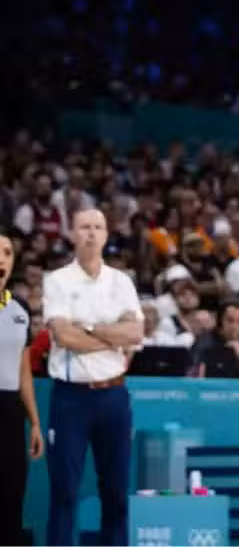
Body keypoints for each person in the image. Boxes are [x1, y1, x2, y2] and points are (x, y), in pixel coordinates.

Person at [42, 209, 144, 546]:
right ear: (73, 233)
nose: (91, 233)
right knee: (64, 492)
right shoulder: (57, 280)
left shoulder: (121, 281)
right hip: (72, 397)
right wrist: (112, 336)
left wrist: (87, 328)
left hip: (113, 395)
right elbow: (64, 337)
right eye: (84, 227)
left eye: (98, 227)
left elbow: (136, 332)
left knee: (116, 492)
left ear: (106, 234)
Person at [0, 233, 44, 546]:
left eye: (7, 252)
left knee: (12, 489)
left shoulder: (19, 309)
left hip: (10, 409)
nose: (2, 258)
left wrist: (35, 422)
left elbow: (23, 369)